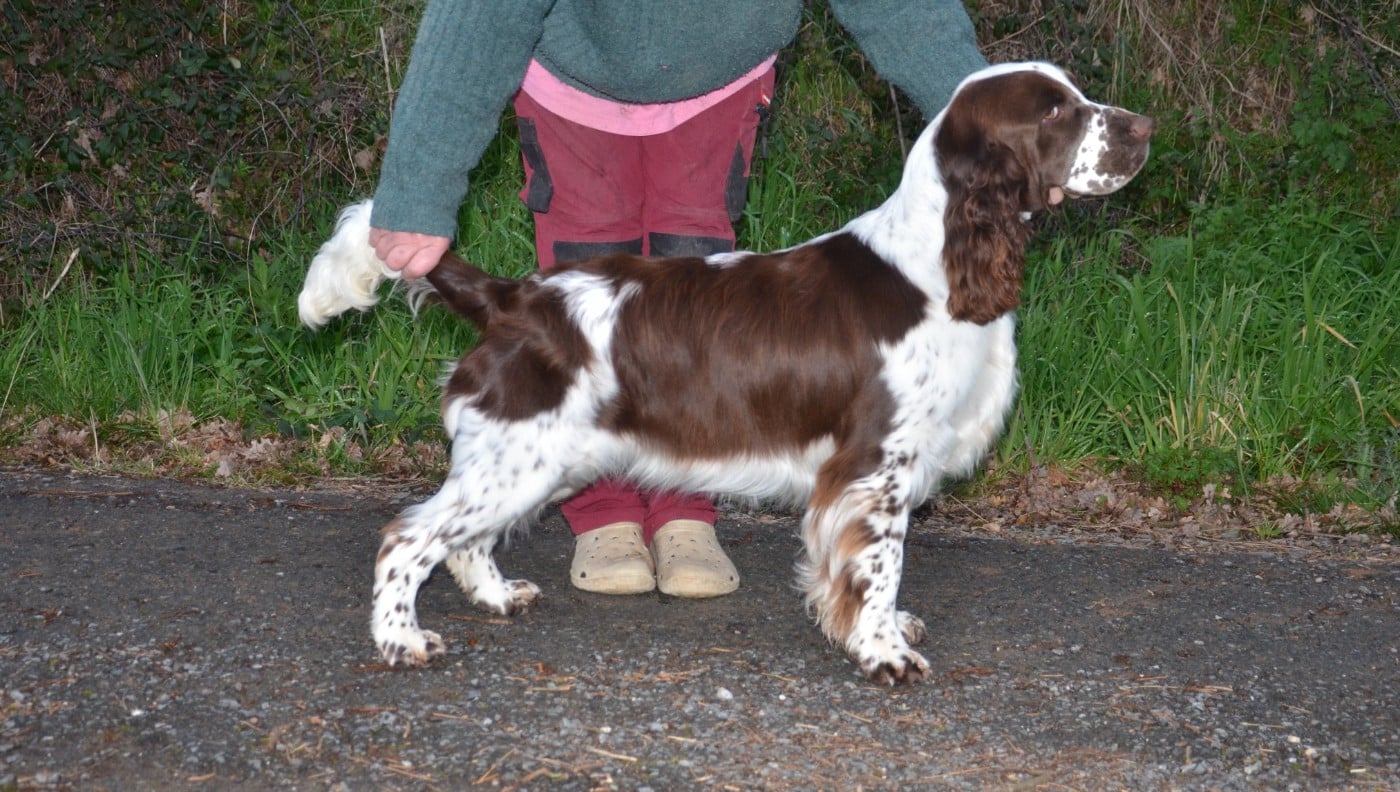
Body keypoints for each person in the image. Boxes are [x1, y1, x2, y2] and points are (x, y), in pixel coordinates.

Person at [365, 1, 987, 599]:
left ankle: (684, 511)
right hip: (574, 77)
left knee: (707, 321)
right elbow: (481, 14)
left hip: (718, 80)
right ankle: (602, 512)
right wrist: (419, 189)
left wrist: (995, 124)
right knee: (580, 320)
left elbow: (903, 6)